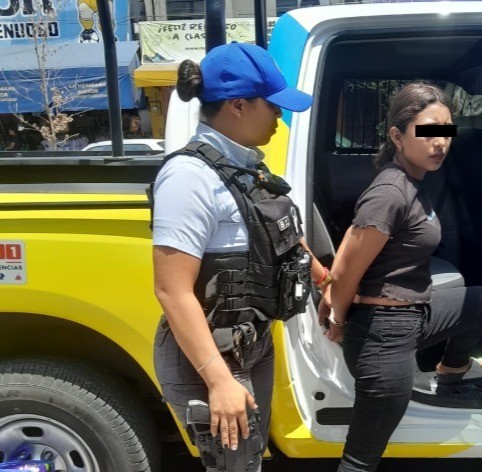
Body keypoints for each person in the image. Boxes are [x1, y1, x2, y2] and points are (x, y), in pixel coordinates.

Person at [151, 42, 329, 472]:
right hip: (212, 358)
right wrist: (218, 379)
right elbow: (171, 290)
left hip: (250, 345)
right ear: (237, 106)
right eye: (273, 107)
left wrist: (325, 278)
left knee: (249, 463)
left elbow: (273, 233)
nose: (280, 118)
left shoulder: (245, 168)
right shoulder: (189, 178)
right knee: (235, 467)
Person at [319, 83, 482, 472]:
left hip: (414, 313)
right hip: (382, 336)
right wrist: (336, 319)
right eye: (428, 131)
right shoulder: (390, 192)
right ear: (397, 136)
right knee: (361, 460)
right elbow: (345, 269)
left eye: (446, 131)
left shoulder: (414, 182)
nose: (440, 142)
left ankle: (450, 372)